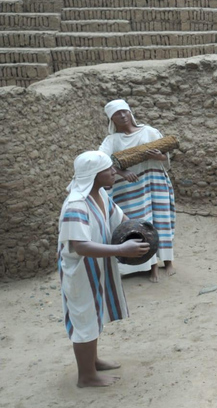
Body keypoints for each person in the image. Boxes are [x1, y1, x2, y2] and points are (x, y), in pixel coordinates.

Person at [58, 150, 149, 387]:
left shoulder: (99, 194)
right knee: (85, 317)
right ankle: (86, 376)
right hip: (81, 271)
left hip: (96, 266)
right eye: (108, 169)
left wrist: (140, 231)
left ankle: (93, 361)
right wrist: (121, 251)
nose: (113, 172)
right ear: (93, 174)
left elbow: (120, 219)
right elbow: (80, 246)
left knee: (94, 313)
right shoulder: (76, 205)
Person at [99, 99, 176, 282]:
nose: (123, 116)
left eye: (125, 111)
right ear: (112, 120)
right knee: (141, 223)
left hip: (155, 181)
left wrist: (159, 156)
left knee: (162, 219)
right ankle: (150, 264)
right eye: (118, 114)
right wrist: (121, 172)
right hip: (131, 189)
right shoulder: (112, 140)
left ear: (130, 112)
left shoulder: (149, 132)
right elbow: (101, 160)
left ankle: (168, 260)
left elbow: (165, 158)